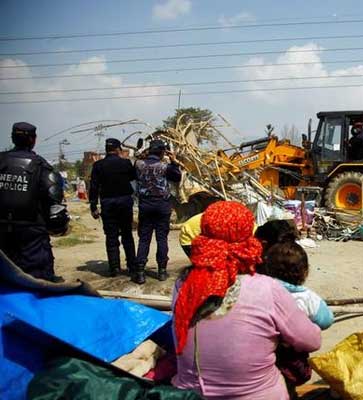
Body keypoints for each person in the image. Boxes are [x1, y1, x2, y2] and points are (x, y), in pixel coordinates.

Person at [171, 201, 321, 400]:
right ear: (247, 236)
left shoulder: (182, 284)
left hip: (187, 395)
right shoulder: (266, 288)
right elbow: (311, 341)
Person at [258, 241, 333, 395]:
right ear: (305, 272)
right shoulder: (308, 298)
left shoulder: (258, 290)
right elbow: (326, 319)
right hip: (291, 359)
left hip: (262, 355)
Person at [0, 122, 69, 282]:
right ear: (33, 140)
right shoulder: (42, 167)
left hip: (3, 238)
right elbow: (55, 214)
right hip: (32, 242)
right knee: (38, 285)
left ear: (12, 137)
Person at [133, 138, 182, 284]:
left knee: (144, 239)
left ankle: (140, 272)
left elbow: (134, 173)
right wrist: (173, 161)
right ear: (162, 152)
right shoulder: (165, 166)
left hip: (145, 205)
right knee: (162, 238)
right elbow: (177, 177)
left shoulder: (139, 164)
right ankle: (161, 271)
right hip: (162, 206)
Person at [89, 138, 137, 277]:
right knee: (127, 234)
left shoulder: (98, 165)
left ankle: (114, 268)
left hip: (107, 203)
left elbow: (94, 187)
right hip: (124, 202)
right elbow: (133, 177)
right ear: (117, 149)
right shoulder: (125, 163)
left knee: (111, 236)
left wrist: (93, 205)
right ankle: (132, 266)